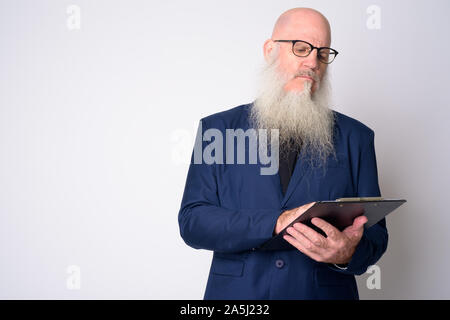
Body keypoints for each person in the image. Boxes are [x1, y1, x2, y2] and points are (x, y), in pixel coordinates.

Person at [178, 7, 388, 300]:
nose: (313, 62)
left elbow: (376, 236)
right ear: (270, 50)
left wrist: (348, 252)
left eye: (323, 53)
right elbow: (193, 222)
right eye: (301, 49)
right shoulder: (218, 130)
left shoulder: (358, 137)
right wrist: (276, 222)